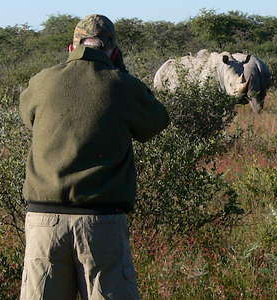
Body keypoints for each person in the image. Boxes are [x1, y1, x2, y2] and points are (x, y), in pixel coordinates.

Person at [19, 14, 169, 300]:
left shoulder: (42, 81)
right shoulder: (121, 84)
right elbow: (156, 120)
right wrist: (121, 74)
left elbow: (29, 118)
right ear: (112, 51)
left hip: (43, 223)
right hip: (101, 223)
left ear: (71, 48)